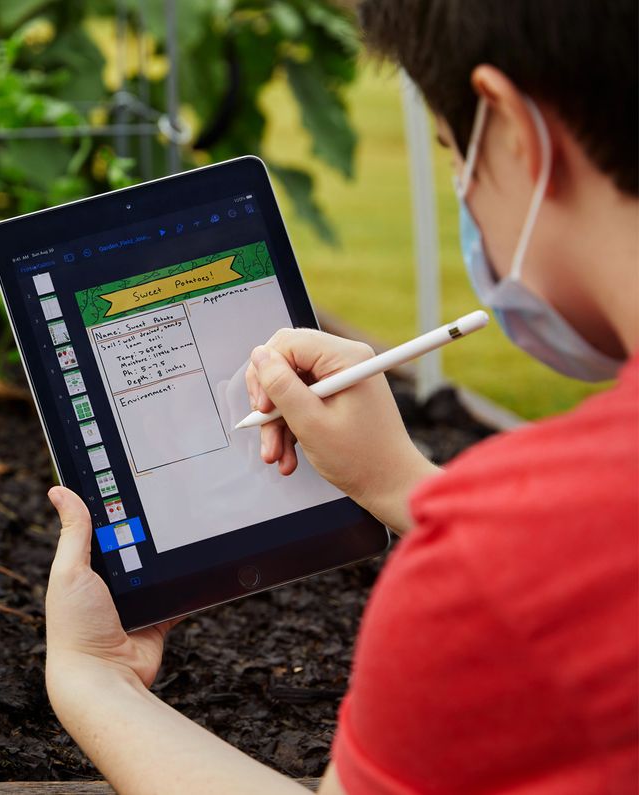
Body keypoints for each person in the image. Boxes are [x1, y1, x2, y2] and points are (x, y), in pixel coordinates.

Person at [41, 1, 639, 792]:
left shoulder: (493, 573)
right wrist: (398, 482)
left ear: (516, 133)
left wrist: (92, 679)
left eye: (450, 148)